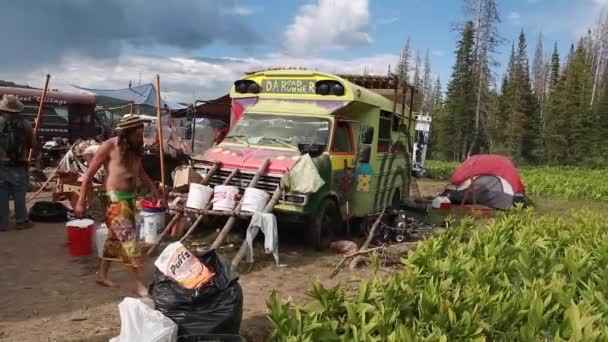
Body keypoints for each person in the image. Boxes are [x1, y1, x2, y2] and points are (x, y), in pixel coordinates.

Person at [74, 114, 159, 296]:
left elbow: (140, 172)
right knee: (129, 241)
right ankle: (135, 284)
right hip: (115, 200)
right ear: (126, 133)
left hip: (129, 198)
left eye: (141, 134)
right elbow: (88, 175)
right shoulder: (109, 146)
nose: (140, 137)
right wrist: (81, 202)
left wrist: (153, 188)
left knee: (115, 239)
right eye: (137, 134)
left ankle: (102, 274)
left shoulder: (135, 149)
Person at [0, 95, 35, 231]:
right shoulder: (25, 124)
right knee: (19, 193)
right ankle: (21, 221)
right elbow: (32, 144)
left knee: (2, 193)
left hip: (1, 165)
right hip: (19, 164)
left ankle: (2, 223)